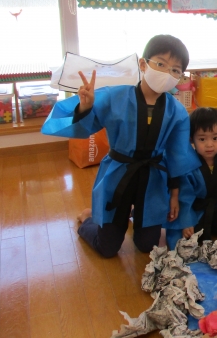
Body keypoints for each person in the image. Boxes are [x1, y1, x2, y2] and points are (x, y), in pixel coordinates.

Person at [41, 35, 200, 258]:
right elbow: (83, 125)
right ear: (143, 64)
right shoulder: (115, 97)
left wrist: (174, 195)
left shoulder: (177, 112)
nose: (167, 73)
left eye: (175, 70)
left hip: (153, 180)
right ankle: (88, 219)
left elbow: (178, 157)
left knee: (147, 245)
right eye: (161, 64)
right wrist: (85, 107)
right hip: (118, 174)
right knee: (107, 248)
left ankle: (134, 212)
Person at [164, 107, 217, 249]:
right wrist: (186, 222)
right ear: (191, 139)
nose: (209, 144)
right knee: (183, 240)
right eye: (202, 139)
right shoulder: (187, 164)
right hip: (196, 211)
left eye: (215, 138)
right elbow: (185, 196)